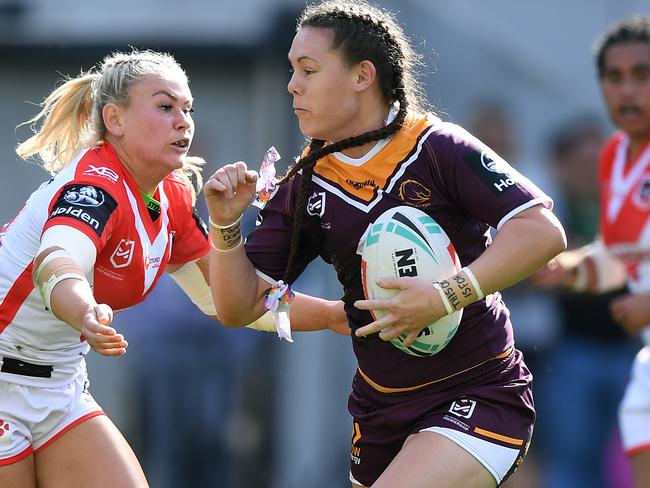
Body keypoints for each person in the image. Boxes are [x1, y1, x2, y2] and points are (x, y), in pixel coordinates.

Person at [203, 1, 567, 487]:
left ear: (363, 76)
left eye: (308, 69)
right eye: (292, 70)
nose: (292, 84)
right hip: (380, 407)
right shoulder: (308, 182)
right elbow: (237, 306)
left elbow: (542, 231)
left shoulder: (438, 148)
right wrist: (225, 226)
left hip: (478, 390)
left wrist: (444, 296)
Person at [0, 49, 346, 487]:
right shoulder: (94, 184)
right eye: (165, 107)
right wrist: (84, 310)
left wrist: (335, 314)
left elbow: (230, 302)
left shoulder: (173, 199)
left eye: (188, 109)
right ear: (115, 119)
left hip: (59, 384)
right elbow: (57, 263)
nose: (183, 121)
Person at [532, 16, 650, 488]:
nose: (627, 90)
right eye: (614, 77)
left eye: (643, 75)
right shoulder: (614, 156)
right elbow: (622, 259)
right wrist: (568, 268)